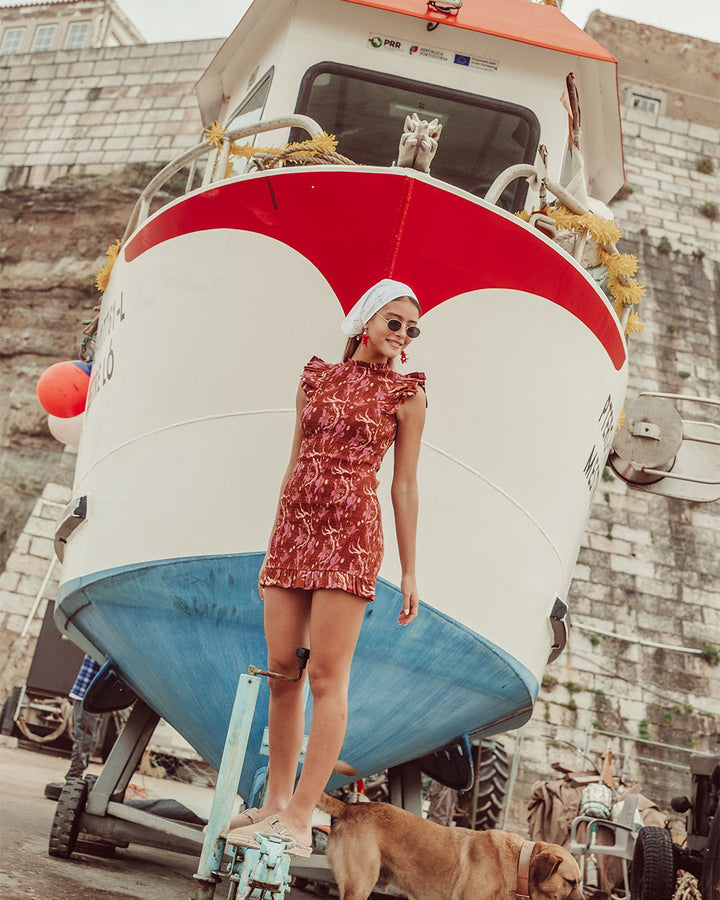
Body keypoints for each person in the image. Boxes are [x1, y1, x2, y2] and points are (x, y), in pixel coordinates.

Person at [226, 279, 427, 858]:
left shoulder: (407, 394)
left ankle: (297, 818)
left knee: (325, 678)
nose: (402, 334)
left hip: (352, 535)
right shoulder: (314, 378)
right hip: (295, 530)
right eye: (394, 322)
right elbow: (294, 463)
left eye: (412, 329)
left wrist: (410, 571)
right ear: (365, 320)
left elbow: (405, 485)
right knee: (281, 672)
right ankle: (273, 803)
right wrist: (274, 543)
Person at [66, 654, 104, 780]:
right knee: (85, 736)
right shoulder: (108, 646)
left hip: (87, 694)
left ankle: (75, 773)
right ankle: (74, 775)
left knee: (85, 737)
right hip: (89, 696)